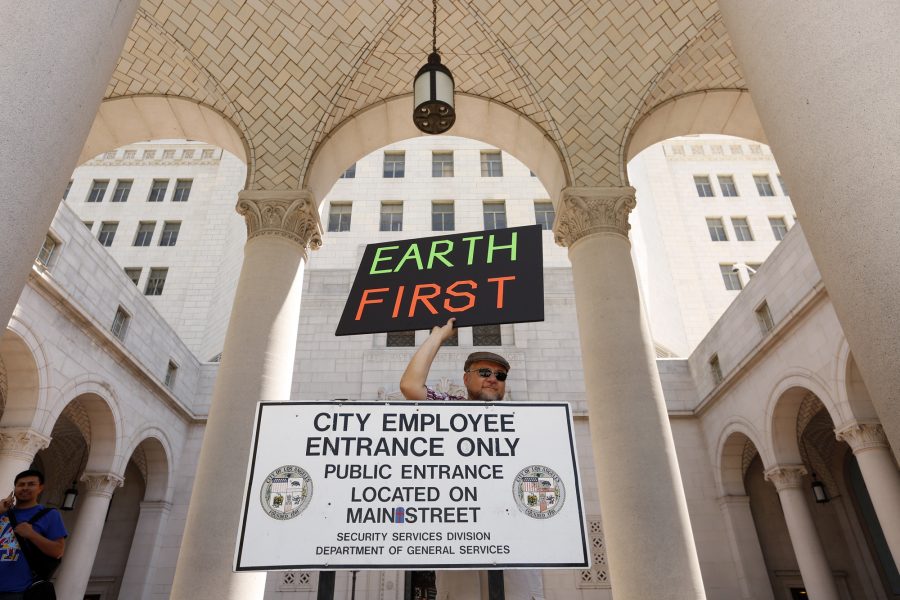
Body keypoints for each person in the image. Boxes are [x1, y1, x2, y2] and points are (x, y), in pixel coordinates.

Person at [400, 318, 544, 600]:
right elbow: (410, 386)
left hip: (514, 540)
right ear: (466, 378)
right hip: (461, 537)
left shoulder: (523, 422)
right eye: (485, 372)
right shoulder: (447, 409)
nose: (493, 378)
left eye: (500, 376)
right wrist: (438, 337)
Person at [0, 469, 67, 599]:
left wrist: (32, 535)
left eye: (31, 484)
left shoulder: (49, 515)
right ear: (14, 489)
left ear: (40, 488)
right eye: (21, 484)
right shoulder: (3, 512)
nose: (25, 488)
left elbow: (58, 551)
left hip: (17, 592)